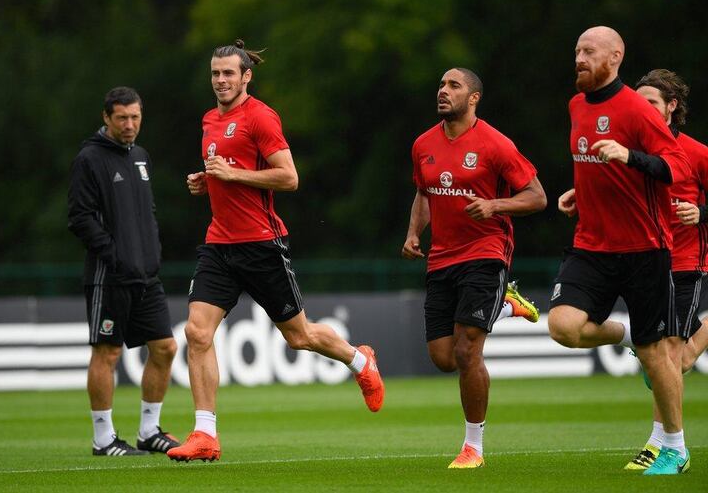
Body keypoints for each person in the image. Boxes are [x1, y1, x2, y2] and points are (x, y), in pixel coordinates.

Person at [166, 40, 385, 463]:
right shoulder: (210, 119)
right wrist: (208, 180)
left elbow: (289, 177)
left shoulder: (261, 117)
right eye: (215, 73)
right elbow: (227, 174)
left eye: (229, 73)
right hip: (219, 244)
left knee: (299, 337)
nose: (221, 80)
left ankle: (360, 360)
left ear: (247, 76)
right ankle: (205, 435)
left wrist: (232, 174)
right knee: (197, 332)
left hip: (261, 244)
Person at [548, 27, 692, 475]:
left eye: (589, 51)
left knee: (657, 353)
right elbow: (594, 163)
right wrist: (579, 192)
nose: (579, 58)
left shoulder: (635, 108)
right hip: (591, 244)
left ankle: (676, 447)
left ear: (615, 56)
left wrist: (630, 156)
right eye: (576, 51)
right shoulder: (575, 106)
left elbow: (675, 166)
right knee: (562, 326)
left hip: (644, 248)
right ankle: (625, 335)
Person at [401, 67, 546, 469]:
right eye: (442, 84)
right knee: (443, 358)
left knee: (467, 352)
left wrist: (496, 205)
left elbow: (537, 197)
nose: (443, 91)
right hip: (442, 257)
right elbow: (424, 193)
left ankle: (473, 448)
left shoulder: (496, 144)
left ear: (474, 98)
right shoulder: (423, 144)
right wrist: (414, 233)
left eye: (454, 86)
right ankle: (506, 305)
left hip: (487, 252)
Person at [68, 87, 179, 456]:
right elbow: (80, 218)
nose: (130, 125)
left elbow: (147, 214)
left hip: (147, 275)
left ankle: (149, 431)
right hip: (109, 275)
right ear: (106, 118)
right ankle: (103, 439)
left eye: (135, 117)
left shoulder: (141, 157)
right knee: (108, 353)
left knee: (165, 347)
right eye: (122, 118)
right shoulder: (90, 158)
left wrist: (151, 252)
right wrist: (114, 255)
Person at [623, 69, 708, 470]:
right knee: (660, 359)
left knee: (678, 360)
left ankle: (661, 446)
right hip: (645, 262)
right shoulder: (633, 154)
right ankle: (662, 444)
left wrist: (701, 212)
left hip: (687, 262)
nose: (644, 110)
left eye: (652, 103)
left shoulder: (696, 153)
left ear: (672, 107)